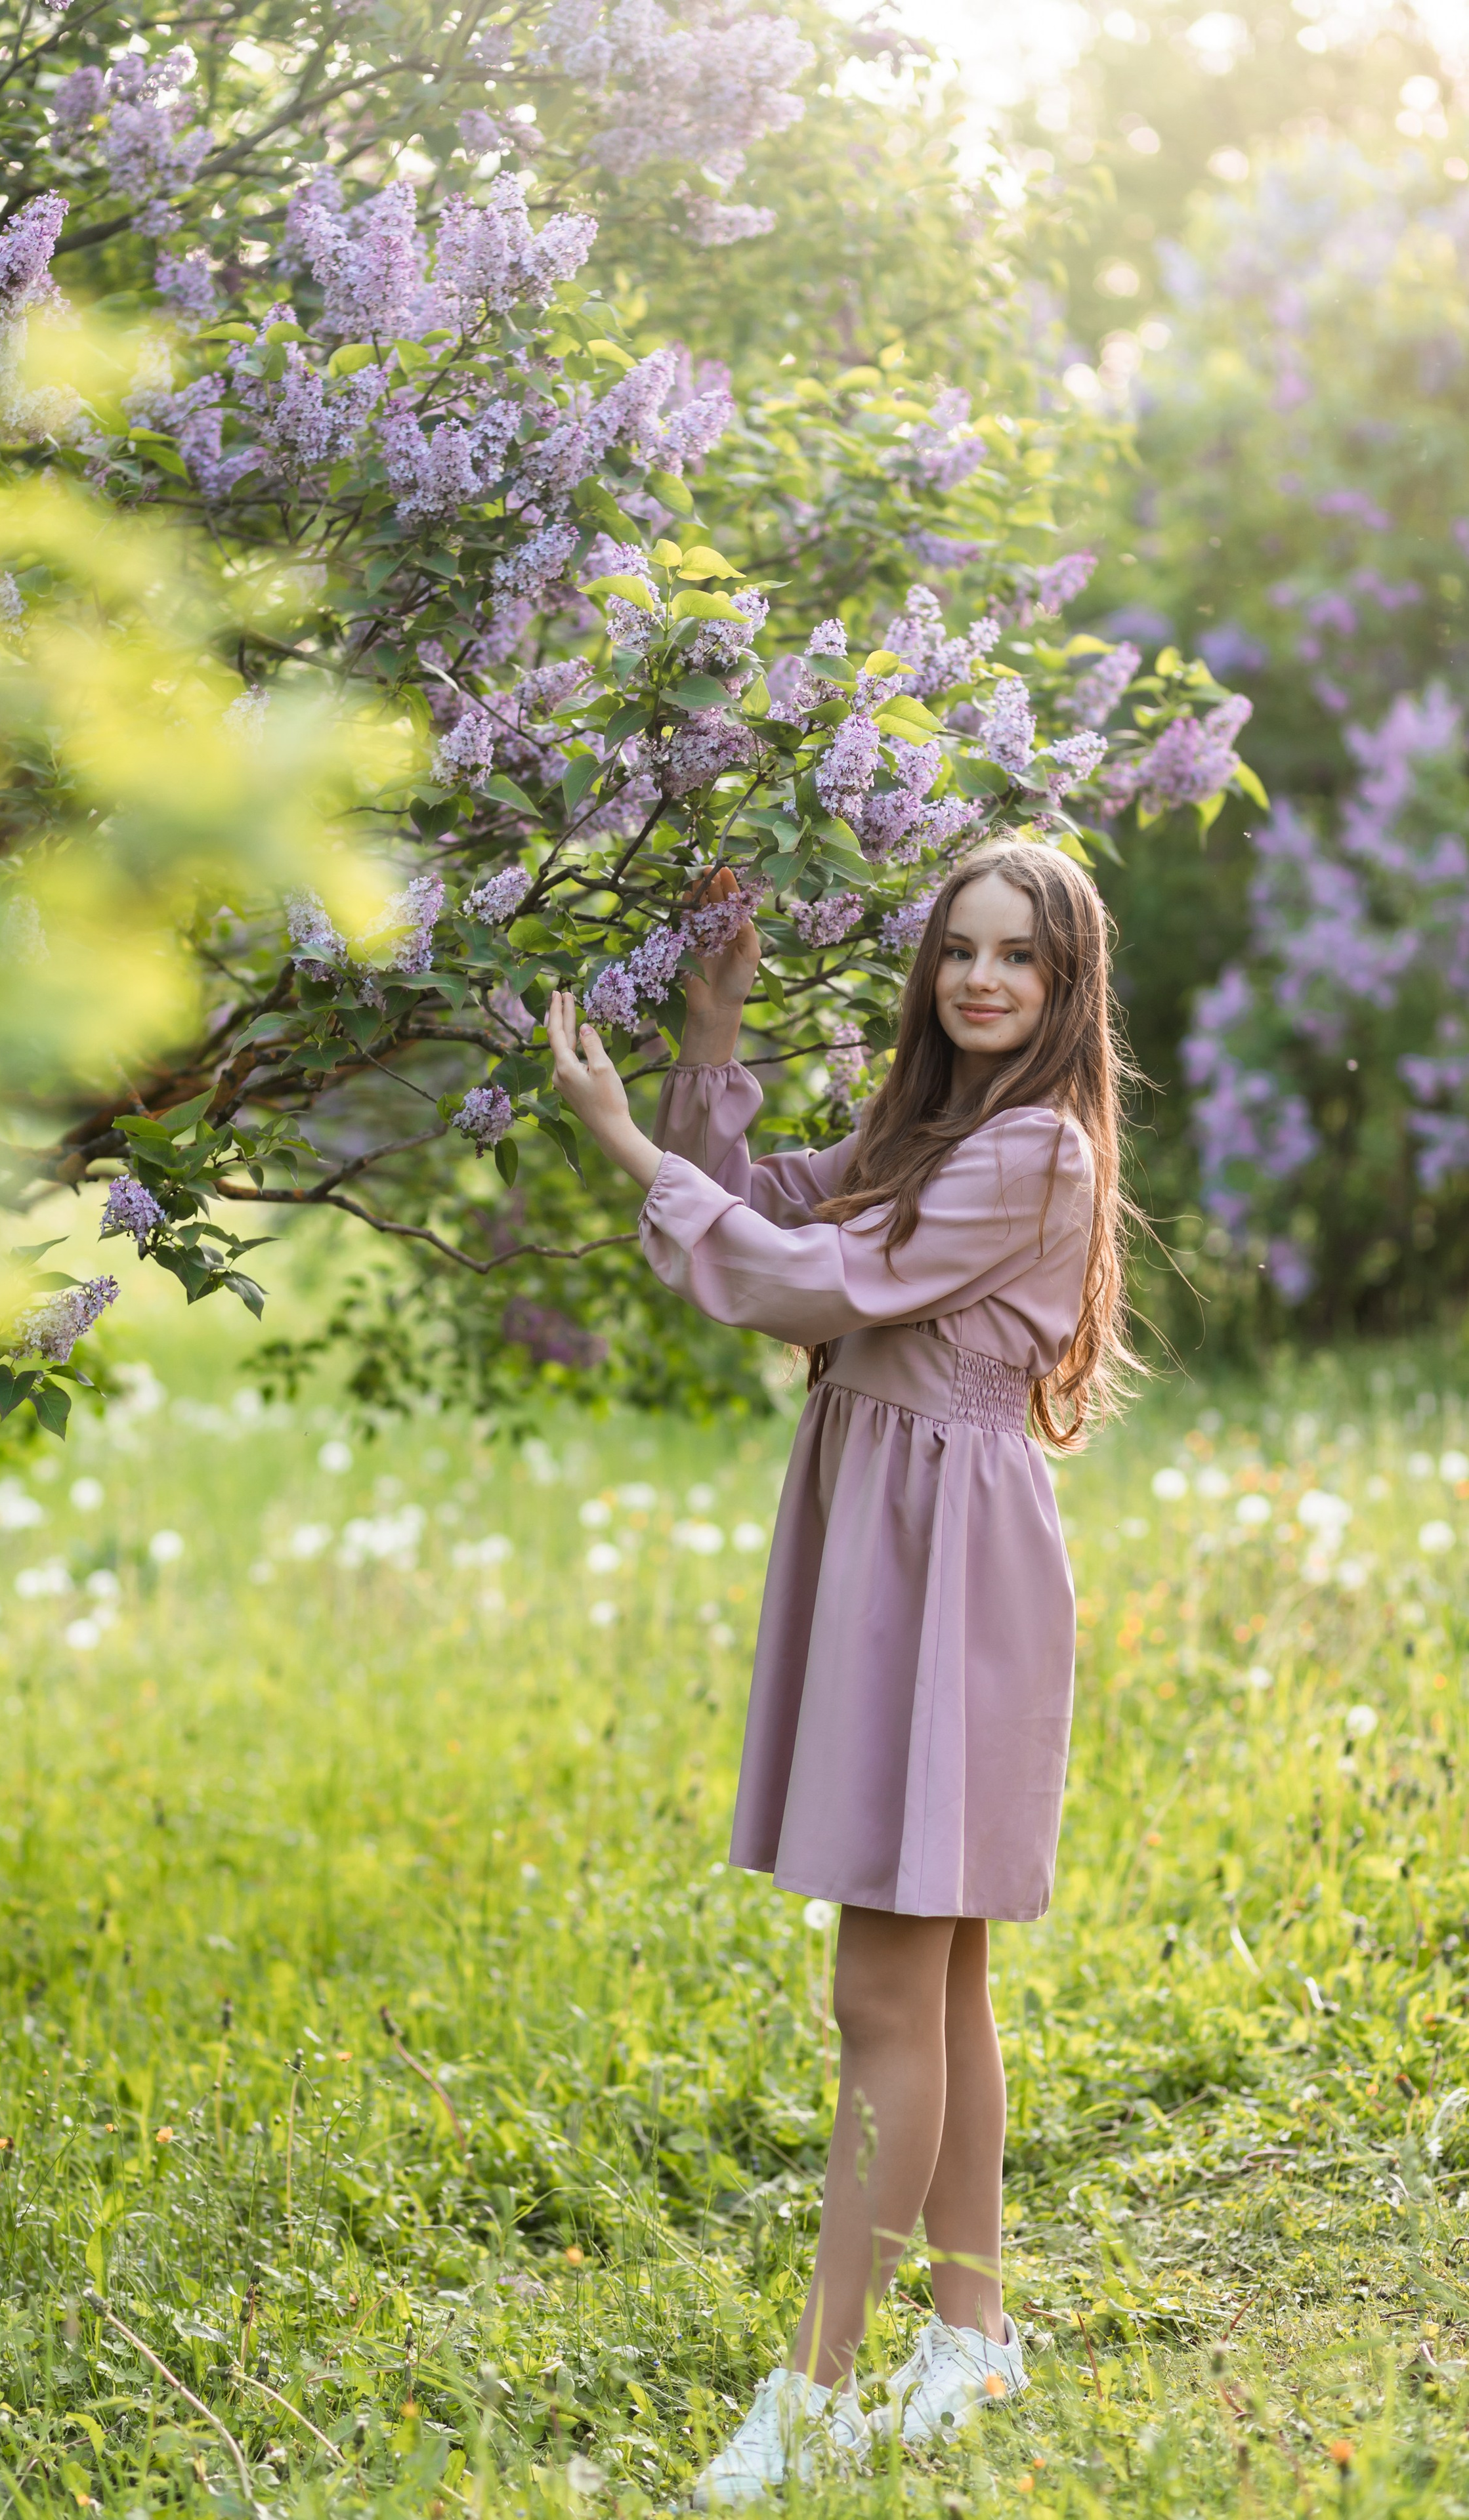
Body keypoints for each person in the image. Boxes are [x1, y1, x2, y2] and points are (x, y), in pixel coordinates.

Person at [547, 838, 1136, 2501]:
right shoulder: (932, 1129)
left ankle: (808, 2399)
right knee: (935, 1980)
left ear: (1064, 984)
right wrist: (710, 1038)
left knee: (880, 1990)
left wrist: (616, 1139)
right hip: (896, 1542)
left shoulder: (1034, 1148)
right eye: (958, 949)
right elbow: (762, 1209)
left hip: (948, 1565)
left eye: (1015, 956)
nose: (979, 980)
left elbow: (805, 1282)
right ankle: (970, 2338)